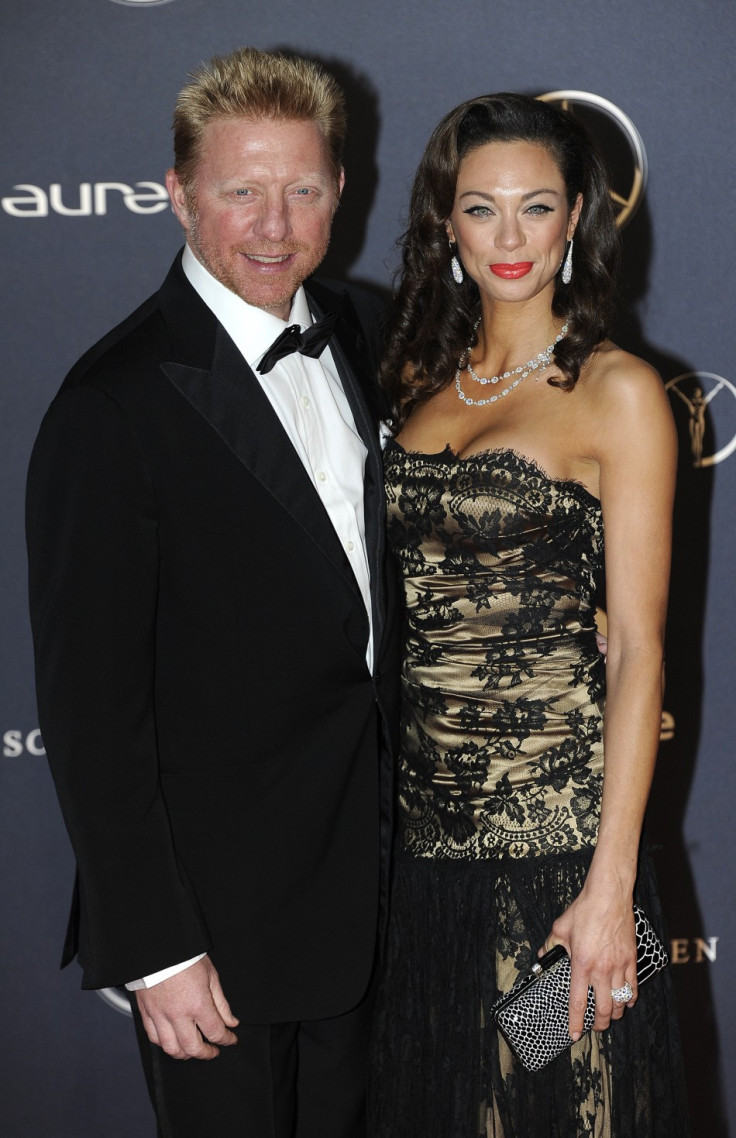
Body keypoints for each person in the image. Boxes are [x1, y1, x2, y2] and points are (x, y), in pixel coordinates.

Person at [26, 46, 400, 1138]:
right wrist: (157, 947)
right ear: (180, 195)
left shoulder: (368, 332)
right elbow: (91, 710)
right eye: (241, 190)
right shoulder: (112, 405)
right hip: (220, 937)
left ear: (340, 190)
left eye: (302, 188)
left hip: (381, 899)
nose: (274, 224)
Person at [369, 94, 688, 1137]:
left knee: (553, 1108)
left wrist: (611, 888)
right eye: (480, 209)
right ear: (443, 224)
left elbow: (639, 648)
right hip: (422, 861)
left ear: (576, 218)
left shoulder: (617, 392)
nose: (509, 238)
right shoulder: (414, 381)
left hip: (560, 857)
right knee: (448, 1109)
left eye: (535, 208)